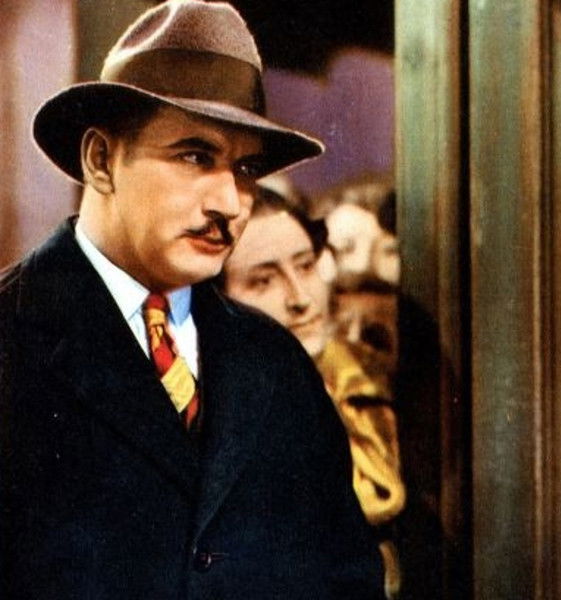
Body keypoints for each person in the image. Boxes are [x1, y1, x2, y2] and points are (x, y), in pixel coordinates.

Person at [0, 2, 385, 598]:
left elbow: (346, 578)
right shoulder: (12, 338)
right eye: (195, 156)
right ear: (101, 160)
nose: (229, 203)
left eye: (246, 169)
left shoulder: (276, 362)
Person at [222, 186, 406, 599]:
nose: (301, 299)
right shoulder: (213, 418)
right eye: (263, 281)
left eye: (306, 266)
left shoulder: (369, 375)